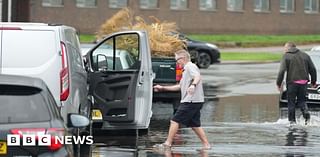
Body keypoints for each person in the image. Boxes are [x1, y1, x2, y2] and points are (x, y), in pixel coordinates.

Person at [153, 49, 211, 149]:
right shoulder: (185, 70)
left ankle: (168, 143)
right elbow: (179, 87)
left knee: (174, 121)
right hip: (194, 101)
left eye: (177, 60)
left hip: (191, 100)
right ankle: (206, 145)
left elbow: (197, 76)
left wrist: (193, 85)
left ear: (183, 58)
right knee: (195, 125)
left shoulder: (190, 66)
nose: (177, 62)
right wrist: (162, 88)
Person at [276, 42, 317, 125]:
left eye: (285, 48)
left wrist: (278, 83)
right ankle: (306, 114)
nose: (284, 50)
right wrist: (313, 82)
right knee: (302, 101)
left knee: (291, 102)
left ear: (288, 48)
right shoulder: (305, 55)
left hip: (292, 83)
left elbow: (281, 71)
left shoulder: (286, 56)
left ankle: (292, 122)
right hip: (304, 83)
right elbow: (313, 69)